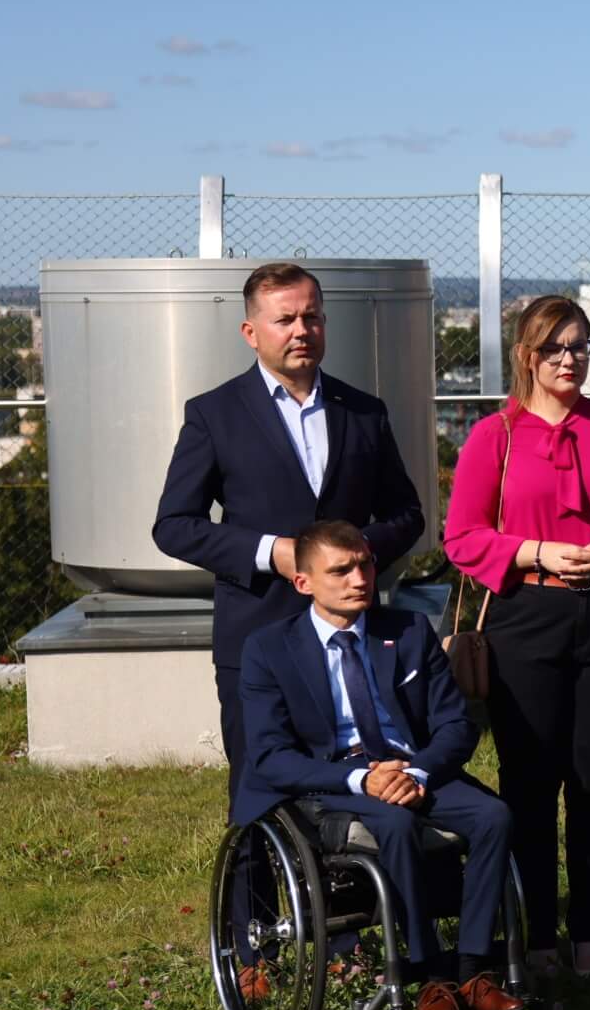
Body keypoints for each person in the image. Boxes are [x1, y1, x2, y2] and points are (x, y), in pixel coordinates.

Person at [443, 297, 590, 981]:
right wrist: (536, 551)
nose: (569, 359)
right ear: (526, 355)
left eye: (580, 346)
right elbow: (462, 536)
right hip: (526, 615)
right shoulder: (495, 436)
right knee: (530, 780)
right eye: (554, 348)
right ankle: (538, 931)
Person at [152, 260, 425, 808]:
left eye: (312, 317)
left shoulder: (363, 411)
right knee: (260, 790)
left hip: (353, 638)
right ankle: (251, 872)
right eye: (285, 320)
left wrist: (352, 557)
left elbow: (407, 514)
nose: (302, 330)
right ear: (251, 332)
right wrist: (270, 553)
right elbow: (174, 526)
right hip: (259, 632)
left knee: (367, 786)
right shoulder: (214, 414)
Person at [234, 520, 524, 1010]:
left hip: (411, 768)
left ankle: (473, 970)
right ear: (303, 583)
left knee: (493, 815)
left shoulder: (408, 630)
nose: (359, 578)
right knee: (394, 823)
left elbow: (456, 724)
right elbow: (270, 756)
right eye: (341, 570)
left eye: (365, 565)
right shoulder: (269, 648)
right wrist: (359, 781)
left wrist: (416, 771)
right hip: (331, 780)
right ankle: (430, 975)